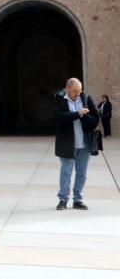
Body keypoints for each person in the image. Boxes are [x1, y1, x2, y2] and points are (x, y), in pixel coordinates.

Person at [54, 78, 99, 211]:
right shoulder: (60, 99)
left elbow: (96, 118)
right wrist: (78, 114)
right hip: (68, 143)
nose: (77, 93)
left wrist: (86, 117)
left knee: (82, 173)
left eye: (79, 91)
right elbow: (59, 117)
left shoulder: (86, 98)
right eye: (74, 91)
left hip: (84, 143)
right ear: (67, 88)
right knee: (66, 172)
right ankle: (63, 199)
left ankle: (78, 200)